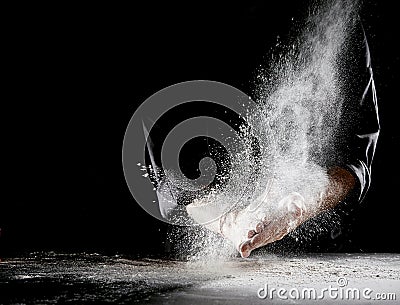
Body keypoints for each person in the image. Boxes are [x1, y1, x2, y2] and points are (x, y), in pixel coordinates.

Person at [146, 2, 380, 257]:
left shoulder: (334, 11)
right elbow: (167, 173)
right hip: (202, 259)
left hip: (319, 256)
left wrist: (301, 204)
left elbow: (356, 159)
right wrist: (227, 220)